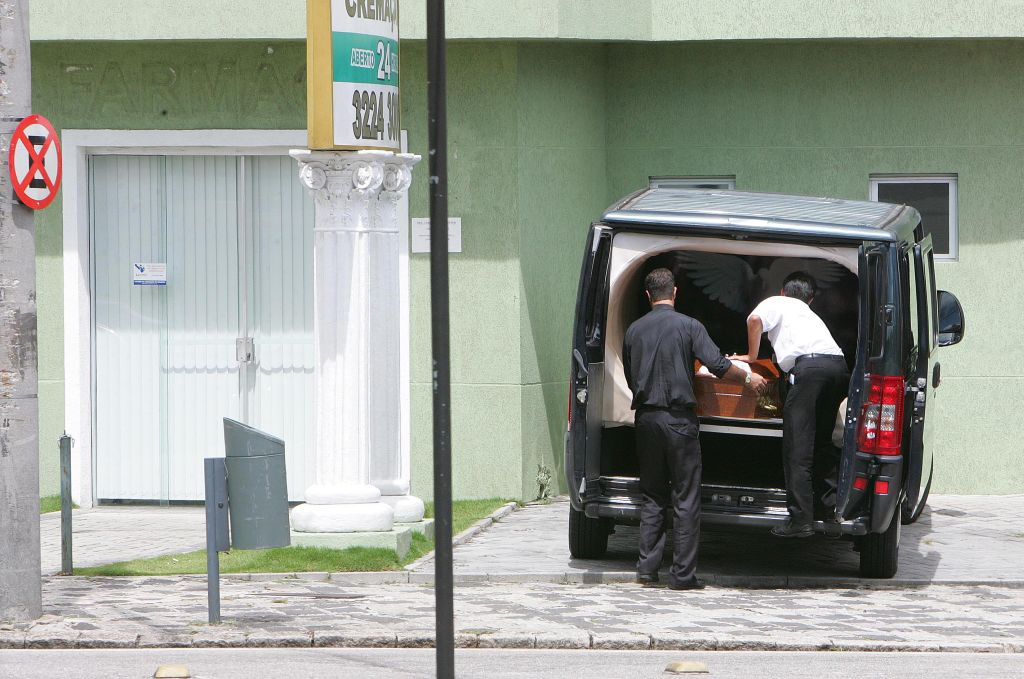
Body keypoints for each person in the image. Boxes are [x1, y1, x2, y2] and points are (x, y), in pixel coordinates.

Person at [623, 267, 766, 589]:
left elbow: (632, 375)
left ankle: (647, 570)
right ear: (675, 293)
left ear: (648, 295)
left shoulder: (633, 330)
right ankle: (682, 576)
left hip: (646, 419)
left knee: (652, 495)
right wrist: (748, 378)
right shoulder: (689, 326)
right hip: (679, 421)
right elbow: (717, 364)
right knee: (685, 497)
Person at [730, 271, 850, 538]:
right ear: (811, 300)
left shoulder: (777, 302)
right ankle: (827, 511)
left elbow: (754, 320)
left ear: (783, 292)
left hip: (810, 371)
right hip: (838, 368)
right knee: (823, 442)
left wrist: (751, 356)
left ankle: (800, 519)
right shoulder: (809, 315)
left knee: (798, 446)